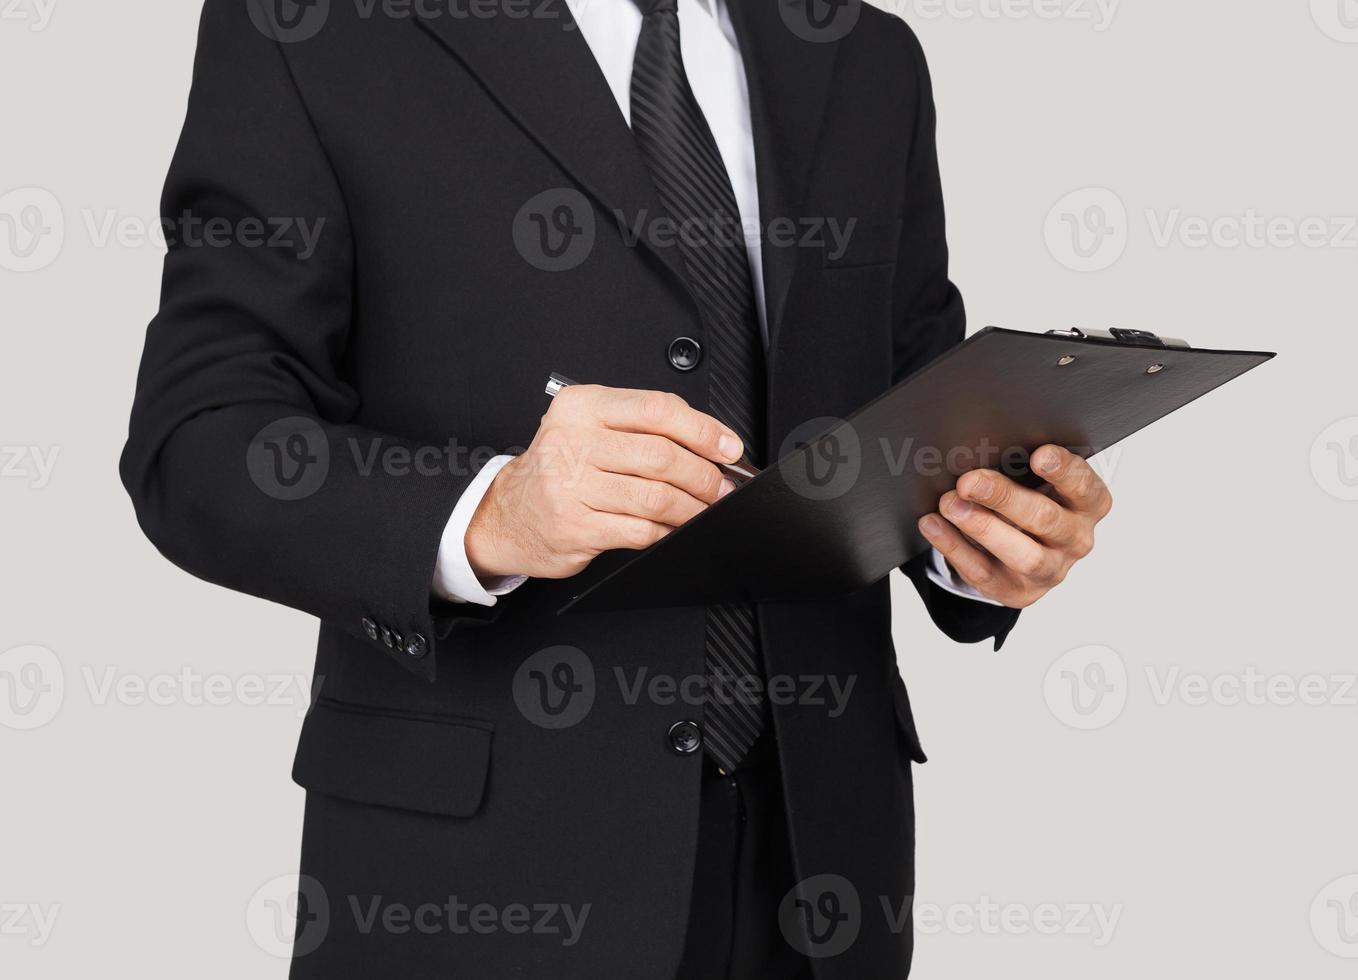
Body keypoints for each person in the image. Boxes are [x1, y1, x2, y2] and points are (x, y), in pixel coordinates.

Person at [120, 0, 1113, 976]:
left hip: (820, 874)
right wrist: (490, 514)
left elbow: (906, 397)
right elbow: (198, 440)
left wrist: (984, 538)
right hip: (477, 877)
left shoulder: (865, 53)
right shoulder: (310, 27)